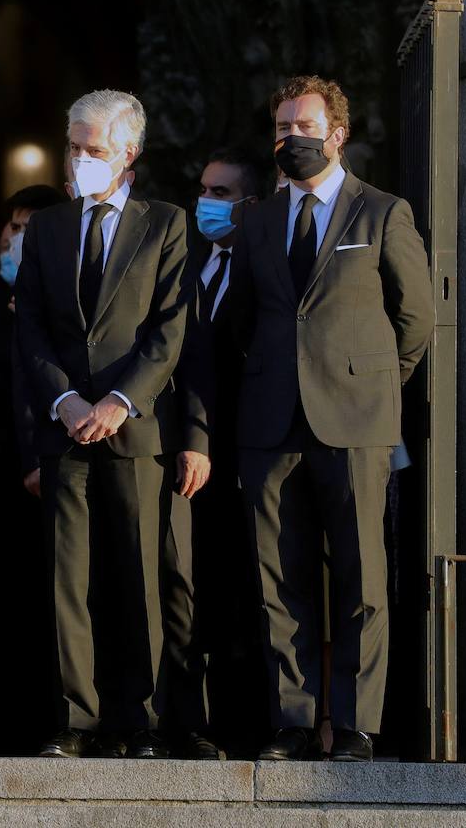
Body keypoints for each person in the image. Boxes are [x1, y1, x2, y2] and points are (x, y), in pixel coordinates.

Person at [233, 76, 433, 763]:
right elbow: (240, 319)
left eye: (304, 125)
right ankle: (292, 722)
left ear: (337, 132)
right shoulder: (256, 220)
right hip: (271, 425)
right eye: (282, 127)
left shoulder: (381, 213)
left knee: (361, 582)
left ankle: (354, 726)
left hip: (355, 423)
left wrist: (371, 385)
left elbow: (417, 319)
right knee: (278, 583)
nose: (291, 137)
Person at [13, 89, 190, 760]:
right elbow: (28, 322)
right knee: (69, 578)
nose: (81, 159)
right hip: (66, 431)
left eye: (94, 149)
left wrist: (119, 400)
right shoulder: (49, 228)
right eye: (75, 147)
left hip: (133, 429)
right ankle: (74, 717)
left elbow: (170, 327)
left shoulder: (164, 223)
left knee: (137, 575)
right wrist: (62, 401)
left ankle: (136, 717)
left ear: (128, 153)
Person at [160, 148, 271, 760]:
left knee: (245, 589)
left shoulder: (263, 263)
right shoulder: (188, 263)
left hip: (245, 452)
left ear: (250, 204)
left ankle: (245, 723)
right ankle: (186, 718)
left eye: (221, 193)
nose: (207, 203)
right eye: (204, 189)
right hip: (185, 456)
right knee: (190, 586)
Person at [0, 184, 64, 754]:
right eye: (12, 225)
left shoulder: (63, 302)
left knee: (51, 607)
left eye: (30, 226)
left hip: (49, 476)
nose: (15, 236)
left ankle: (54, 722)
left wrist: (37, 459)